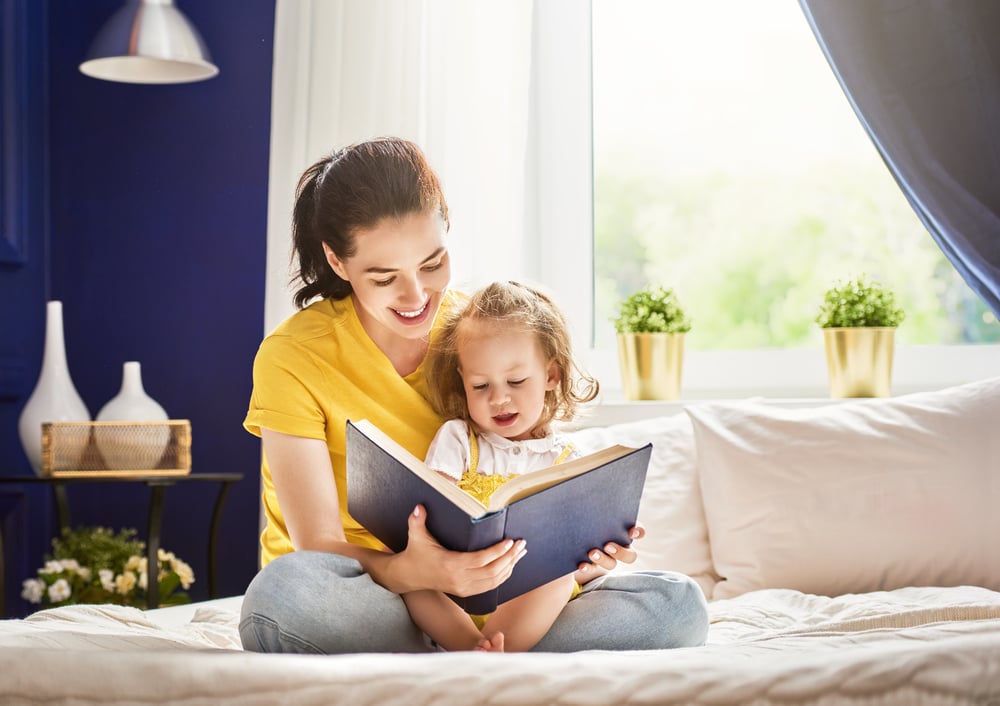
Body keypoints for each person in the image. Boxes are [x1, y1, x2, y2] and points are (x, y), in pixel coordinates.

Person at [239, 136, 709, 654]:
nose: (417, 296)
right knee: (285, 594)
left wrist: (583, 553)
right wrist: (411, 569)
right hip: (372, 593)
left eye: (433, 262)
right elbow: (317, 543)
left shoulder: (478, 329)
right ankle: (471, 653)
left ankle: (478, 653)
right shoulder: (293, 356)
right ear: (338, 261)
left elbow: (530, 460)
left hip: (503, 599)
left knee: (678, 605)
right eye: (384, 277)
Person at [405, 280, 598, 652]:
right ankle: (470, 646)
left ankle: (495, 652)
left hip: (528, 601)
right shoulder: (459, 438)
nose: (498, 398)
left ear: (551, 375)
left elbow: (582, 555)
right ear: (462, 381)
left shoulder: (566, 459)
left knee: (560, 577)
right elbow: (435, 510)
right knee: (412, 582)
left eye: (515, 380)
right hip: (455, 593)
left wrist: (599, 558)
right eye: (480, 386)